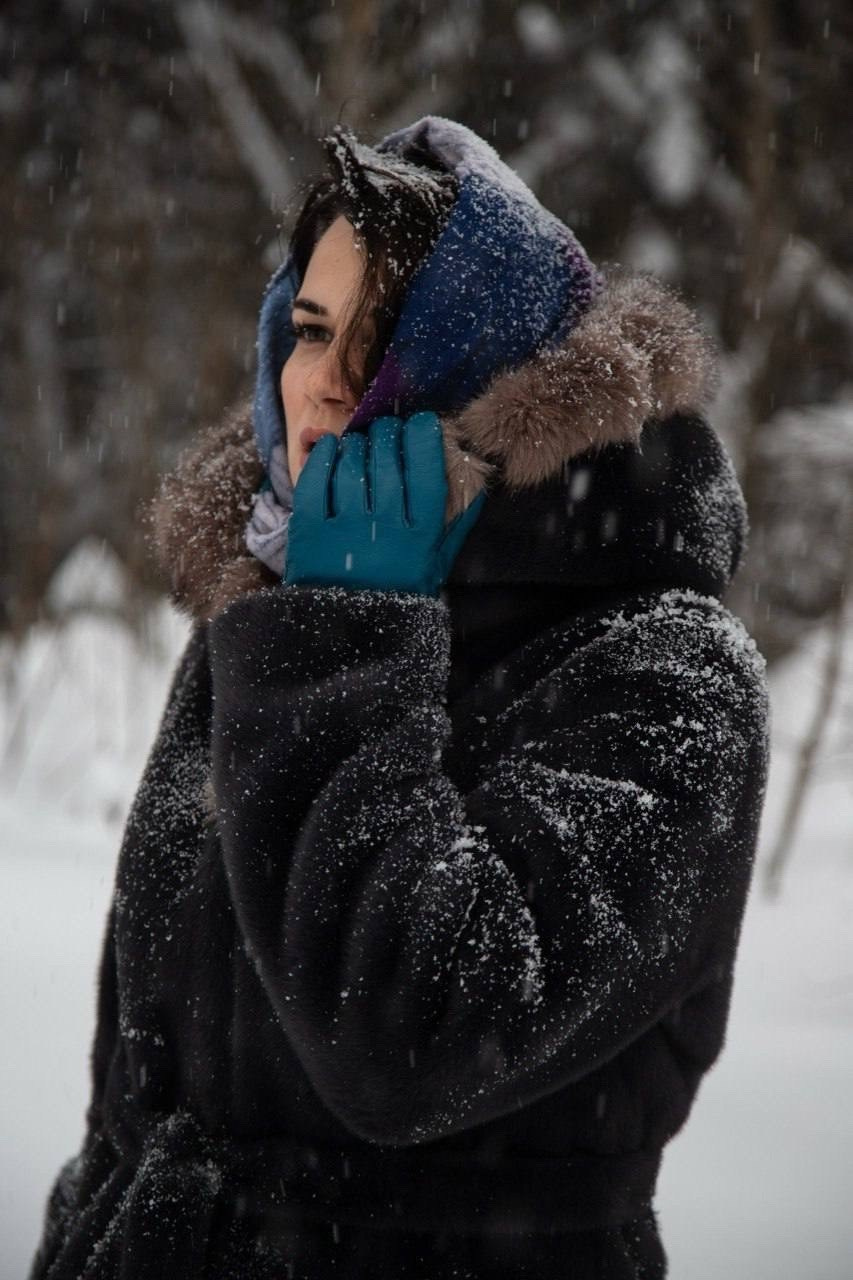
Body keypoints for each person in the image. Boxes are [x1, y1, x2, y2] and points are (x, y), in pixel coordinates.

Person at [29, 117, 770, 1280]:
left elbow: (411, 1036)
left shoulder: (660, 669)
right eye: (308, 330)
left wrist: (349, 637)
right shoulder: (267, 614)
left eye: (378, 347)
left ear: (487, 373)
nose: (319, 389)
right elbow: (138, 1081)